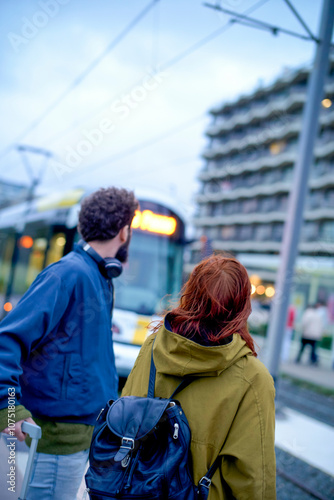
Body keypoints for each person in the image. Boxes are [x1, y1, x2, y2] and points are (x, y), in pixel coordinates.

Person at [0, 187, 138, 500]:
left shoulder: (97, 276)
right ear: (124, 231)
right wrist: (9, 413)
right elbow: (5, 341)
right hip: (58, 441)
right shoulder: (68, 275)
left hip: (78, 439)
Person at [122, 254, 276, 499]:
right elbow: (254, 479)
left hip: (135, 490)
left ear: (190, 294)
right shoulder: (253, 379)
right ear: (242, 307)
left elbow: (123, 418)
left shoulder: (153, 346)